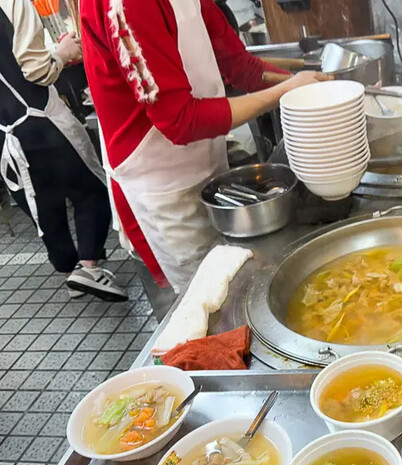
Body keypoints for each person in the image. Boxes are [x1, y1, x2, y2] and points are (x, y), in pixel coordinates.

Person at [80, 0, 329, 292]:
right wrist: (284, 92)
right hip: (161, 188)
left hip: (204, 162)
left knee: (227, 284)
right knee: (197, 303)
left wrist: (310, 87)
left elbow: (239, 65)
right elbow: (180, 120)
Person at [0, 0, 127, 301]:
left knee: (44, 205)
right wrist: (63, 52)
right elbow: (37, 71)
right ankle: (88, 266)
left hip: (5, 137)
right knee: (91, 188)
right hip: (39, 119)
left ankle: (71, 271)